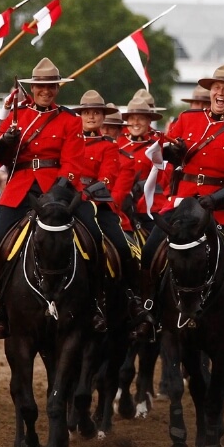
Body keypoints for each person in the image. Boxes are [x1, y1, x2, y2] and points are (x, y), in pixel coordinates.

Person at [131, 64, 224, 344]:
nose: (220, 93)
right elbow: (163, 154)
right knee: (150, 251)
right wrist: (172, 152)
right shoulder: (187, 119)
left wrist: (217, 198)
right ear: (210, 91)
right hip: (181, 204)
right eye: (217, 88)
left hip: (223, 207)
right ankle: (149, 311)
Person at [0, 58, 99, 340]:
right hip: (20, 188)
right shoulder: (15, 117)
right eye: (40, 86)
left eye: (51, 86)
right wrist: (5, 143)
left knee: (92, 236)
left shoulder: (70, 120)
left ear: (57, 88)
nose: (46, 91)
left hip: (57, 191)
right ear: (33, 88)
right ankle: (0, 308)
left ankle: (95, 304)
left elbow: (73, 163)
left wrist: (57, 191)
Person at [73, 89, 140, 332]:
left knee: (122, 248)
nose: (91, 116)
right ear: (80, 116)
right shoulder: (69, 142)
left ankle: (132, 299)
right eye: (87, 112)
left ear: (103, 118)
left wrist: (84, 196)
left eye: (96, 113)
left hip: (96, 205)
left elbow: (108, 178)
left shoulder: (109, 147)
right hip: (67, 202)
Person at [112, 98, 169, 234]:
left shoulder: (157, 146)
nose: (136, 123)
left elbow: (164, 178)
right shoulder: (119, 143)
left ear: (149, 121)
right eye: (132, 119)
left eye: (141, 119)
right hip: (121, 203)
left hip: (147, 206)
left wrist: (142, 185)